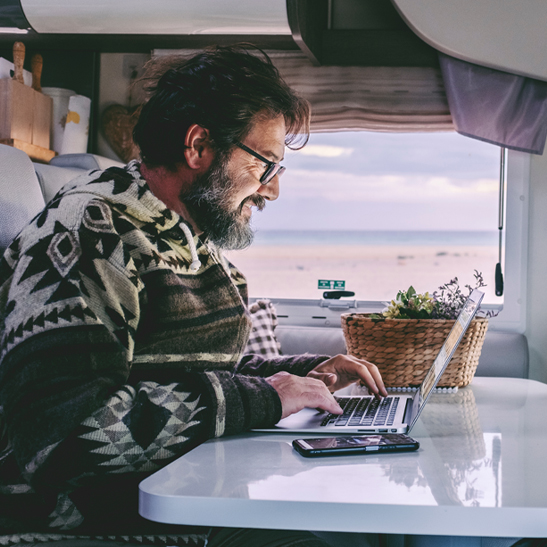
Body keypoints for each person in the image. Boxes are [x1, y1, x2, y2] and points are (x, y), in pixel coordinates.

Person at [0, 45, 387, 547]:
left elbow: (190, 374)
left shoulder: (187, 236)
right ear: (199, 146)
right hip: (89, 521)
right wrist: (267, 399)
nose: (271, 191)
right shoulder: (89, 237)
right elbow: (63, 438)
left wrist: (297, 376)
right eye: (265, 164)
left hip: (183, 490)